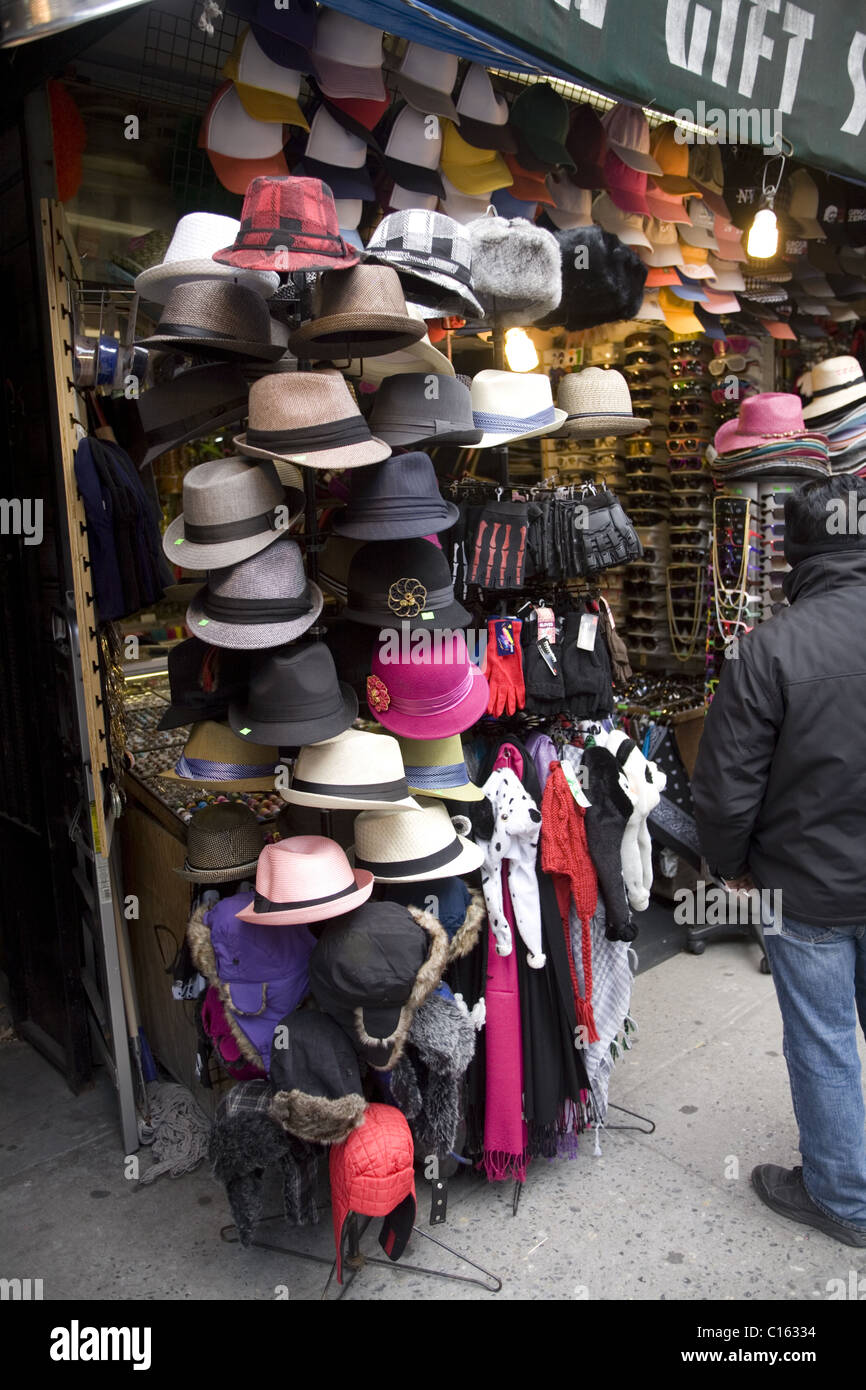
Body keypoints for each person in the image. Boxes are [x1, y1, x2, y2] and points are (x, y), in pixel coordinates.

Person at [691, 474, 866, 1248]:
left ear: (795, 553)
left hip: (805, 888)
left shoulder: (770, 648)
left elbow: (726, 787)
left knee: (823, 1041)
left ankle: (844, 1196)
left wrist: (729, 869)